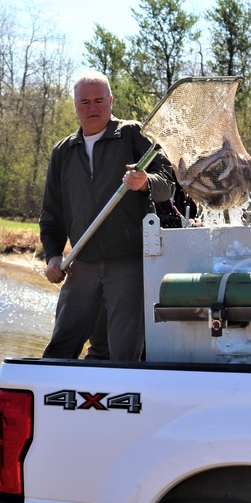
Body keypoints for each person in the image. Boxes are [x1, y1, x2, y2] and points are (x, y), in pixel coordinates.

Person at [40, 71, 175, 362]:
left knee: (123, 352)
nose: (92, 108)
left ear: (111, 101)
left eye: (99, 100)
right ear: (75, 105)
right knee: (61, 346)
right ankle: (56, 398)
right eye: (85, 101)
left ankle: (119, 399)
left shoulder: (133, 135)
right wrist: (52, 256)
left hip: (129, 263)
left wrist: (145, 182)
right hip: (82, 263)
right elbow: (52, 214)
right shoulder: (63, 152)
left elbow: (168, 186)